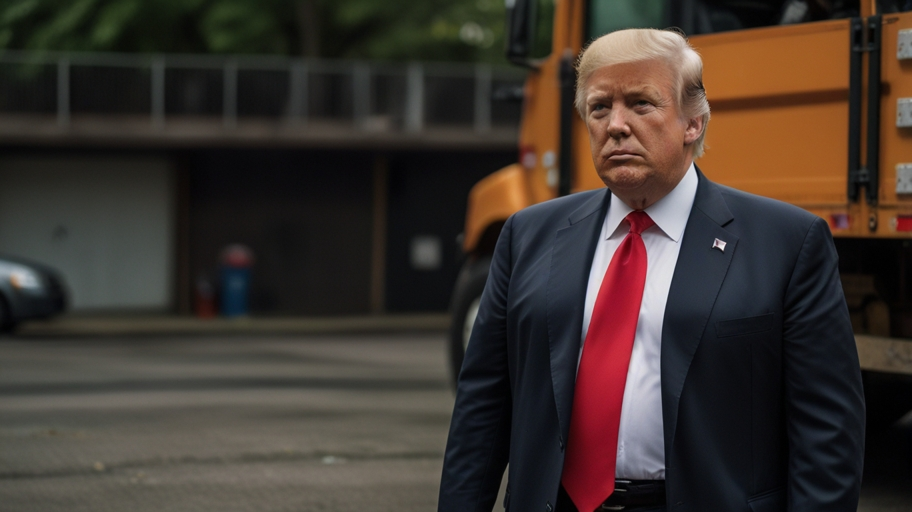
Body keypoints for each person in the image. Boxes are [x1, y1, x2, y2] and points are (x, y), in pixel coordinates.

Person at [438, 28, 864, 512]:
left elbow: (827, 431)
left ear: (693, 123)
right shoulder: (528, 235)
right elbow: (482, 411)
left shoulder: (786, 242)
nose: (616, 125)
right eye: (600, 108)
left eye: (641, 104)